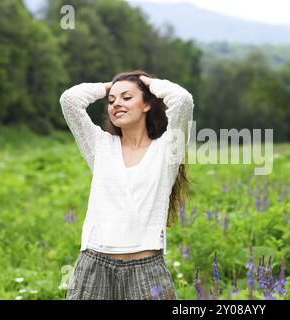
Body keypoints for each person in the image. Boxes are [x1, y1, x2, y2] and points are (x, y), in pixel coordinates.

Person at [59, 70, 194, 299]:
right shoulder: (100, 146)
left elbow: (182, 100)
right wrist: (110, 86)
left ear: (147, 105)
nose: (116, 104)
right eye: (112, 101)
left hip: (146, 269)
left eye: (127, 98)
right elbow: (70, 100)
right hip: (94, 265)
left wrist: (146, 82)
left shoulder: (166, 150)